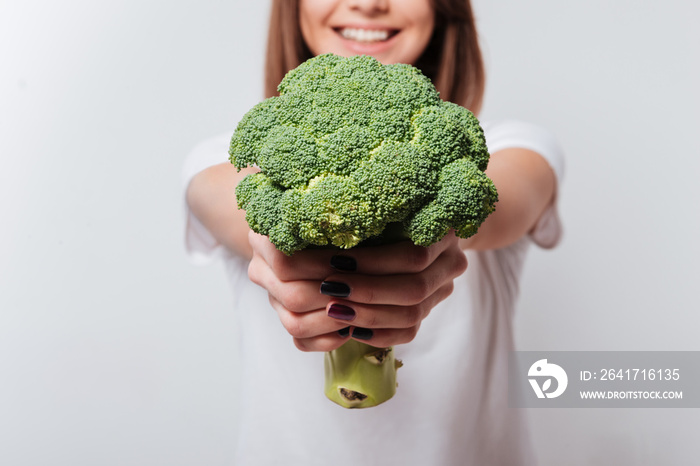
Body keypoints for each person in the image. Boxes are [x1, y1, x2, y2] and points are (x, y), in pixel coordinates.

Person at [183, 0, 564, 464]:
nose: (368, 3)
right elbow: (227, 199)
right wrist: (281, 244)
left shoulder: (510, 146)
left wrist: (430, 219)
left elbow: (504, 198)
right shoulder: (225, 156)